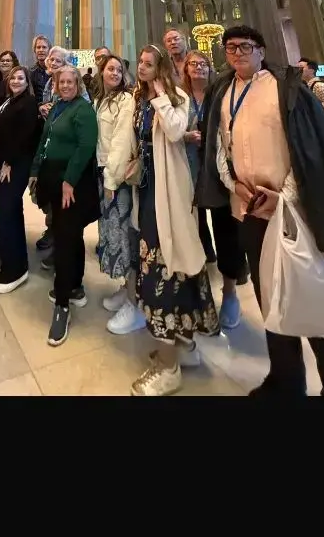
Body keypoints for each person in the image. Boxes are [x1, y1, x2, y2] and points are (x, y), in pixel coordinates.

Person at [200, 25, 324, 397]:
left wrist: (282, 195)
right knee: (270, 299)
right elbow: (219, 146)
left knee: (310, 296)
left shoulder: (286, 89)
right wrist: (234, 184)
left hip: (291, 211)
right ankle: (286, 379)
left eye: (246, 46)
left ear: (261, 51)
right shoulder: (223, 91)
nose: (238, 53)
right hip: (248, 211)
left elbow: (306, 147)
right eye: (231, 47)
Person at [131, 45, 218, 397]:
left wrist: (161, 97)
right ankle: (182, 344)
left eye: (149, 64)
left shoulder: (176, 97)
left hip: (170, 195)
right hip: (148, 191)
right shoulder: (140, 99)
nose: (142, 68)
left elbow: (175, 130)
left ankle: (169, 368)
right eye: (140, 62)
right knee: (156, 263)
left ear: (162, 68)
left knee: (168, 267)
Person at [30, 65, 99, 347]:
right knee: (68, 235)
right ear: (56, 85)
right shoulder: (57, 107)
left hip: (72, 182)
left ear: (78, 84)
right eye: (62, 82)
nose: (67, 85)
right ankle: (74, 286)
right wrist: (35, 169)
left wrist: (69, 180)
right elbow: (44, 140)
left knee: (66, 238)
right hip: (52, 177)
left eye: (71, 82)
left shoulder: (83, 110)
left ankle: (62, 304)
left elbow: (86, 147)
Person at [182, 50, 243, 330]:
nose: (198, 68)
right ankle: (196, 289)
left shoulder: (221, 93)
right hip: (188, 172)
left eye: (203, 63)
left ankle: (230, 293)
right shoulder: (180, 96)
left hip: (217, 174)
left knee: (226, 232)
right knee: (193, 232)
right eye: (193, 64)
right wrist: (185, 136)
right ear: (185, 69)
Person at [95, 55, 143, 335]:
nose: (114, 73)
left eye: (119, 69)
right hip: (105, 174)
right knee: (113, 234)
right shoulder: (103, 99)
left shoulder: (125, 100)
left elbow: (122, 142)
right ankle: (127, 289)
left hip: (118, 178)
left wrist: (111, 180)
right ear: (101, 72)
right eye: (109, 68)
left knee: (125, 238)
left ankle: (135, 305)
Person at [0, 66, 43, 293]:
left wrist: (8, 161)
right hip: (6, 161)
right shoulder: (10, 101)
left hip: (16, 163)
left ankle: (15, 270)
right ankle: (12, 261)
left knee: (6, 209)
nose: (15, 81)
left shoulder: (28, 103)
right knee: (8, 212)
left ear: (27, 82)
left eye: (20, 78)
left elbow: (24, 136)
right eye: (13, 77)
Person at [29, 35, 51, 104]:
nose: (41, 50)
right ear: (35, 50)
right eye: (38, 47)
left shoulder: (56, 70)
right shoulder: (30, 72)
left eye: (44, 47)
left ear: (49, 50)